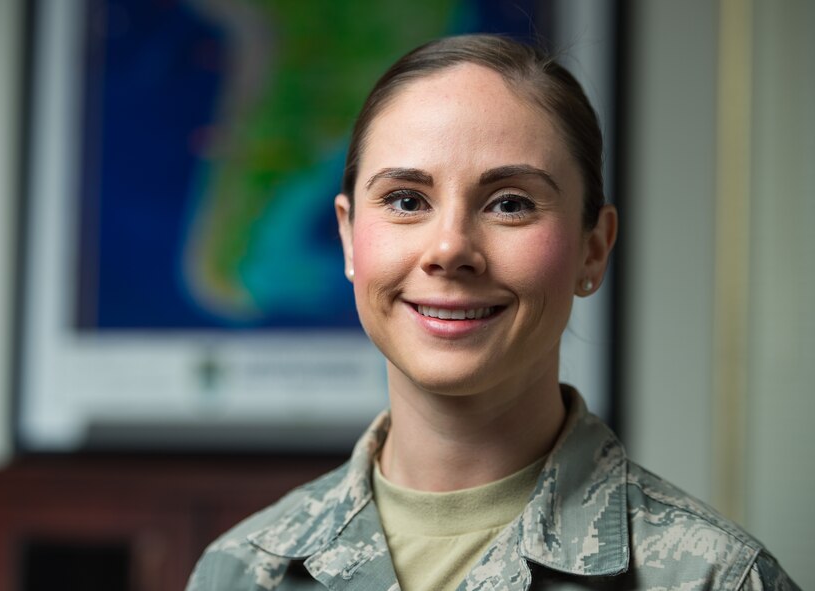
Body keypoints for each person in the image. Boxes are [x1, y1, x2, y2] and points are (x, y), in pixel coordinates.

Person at [186, 35, 799, 590]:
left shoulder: (715, 578)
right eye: (406, 199)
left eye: (509, 204)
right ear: (349, 238)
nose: (450, 248)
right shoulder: (240, 570)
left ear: (593, 248)